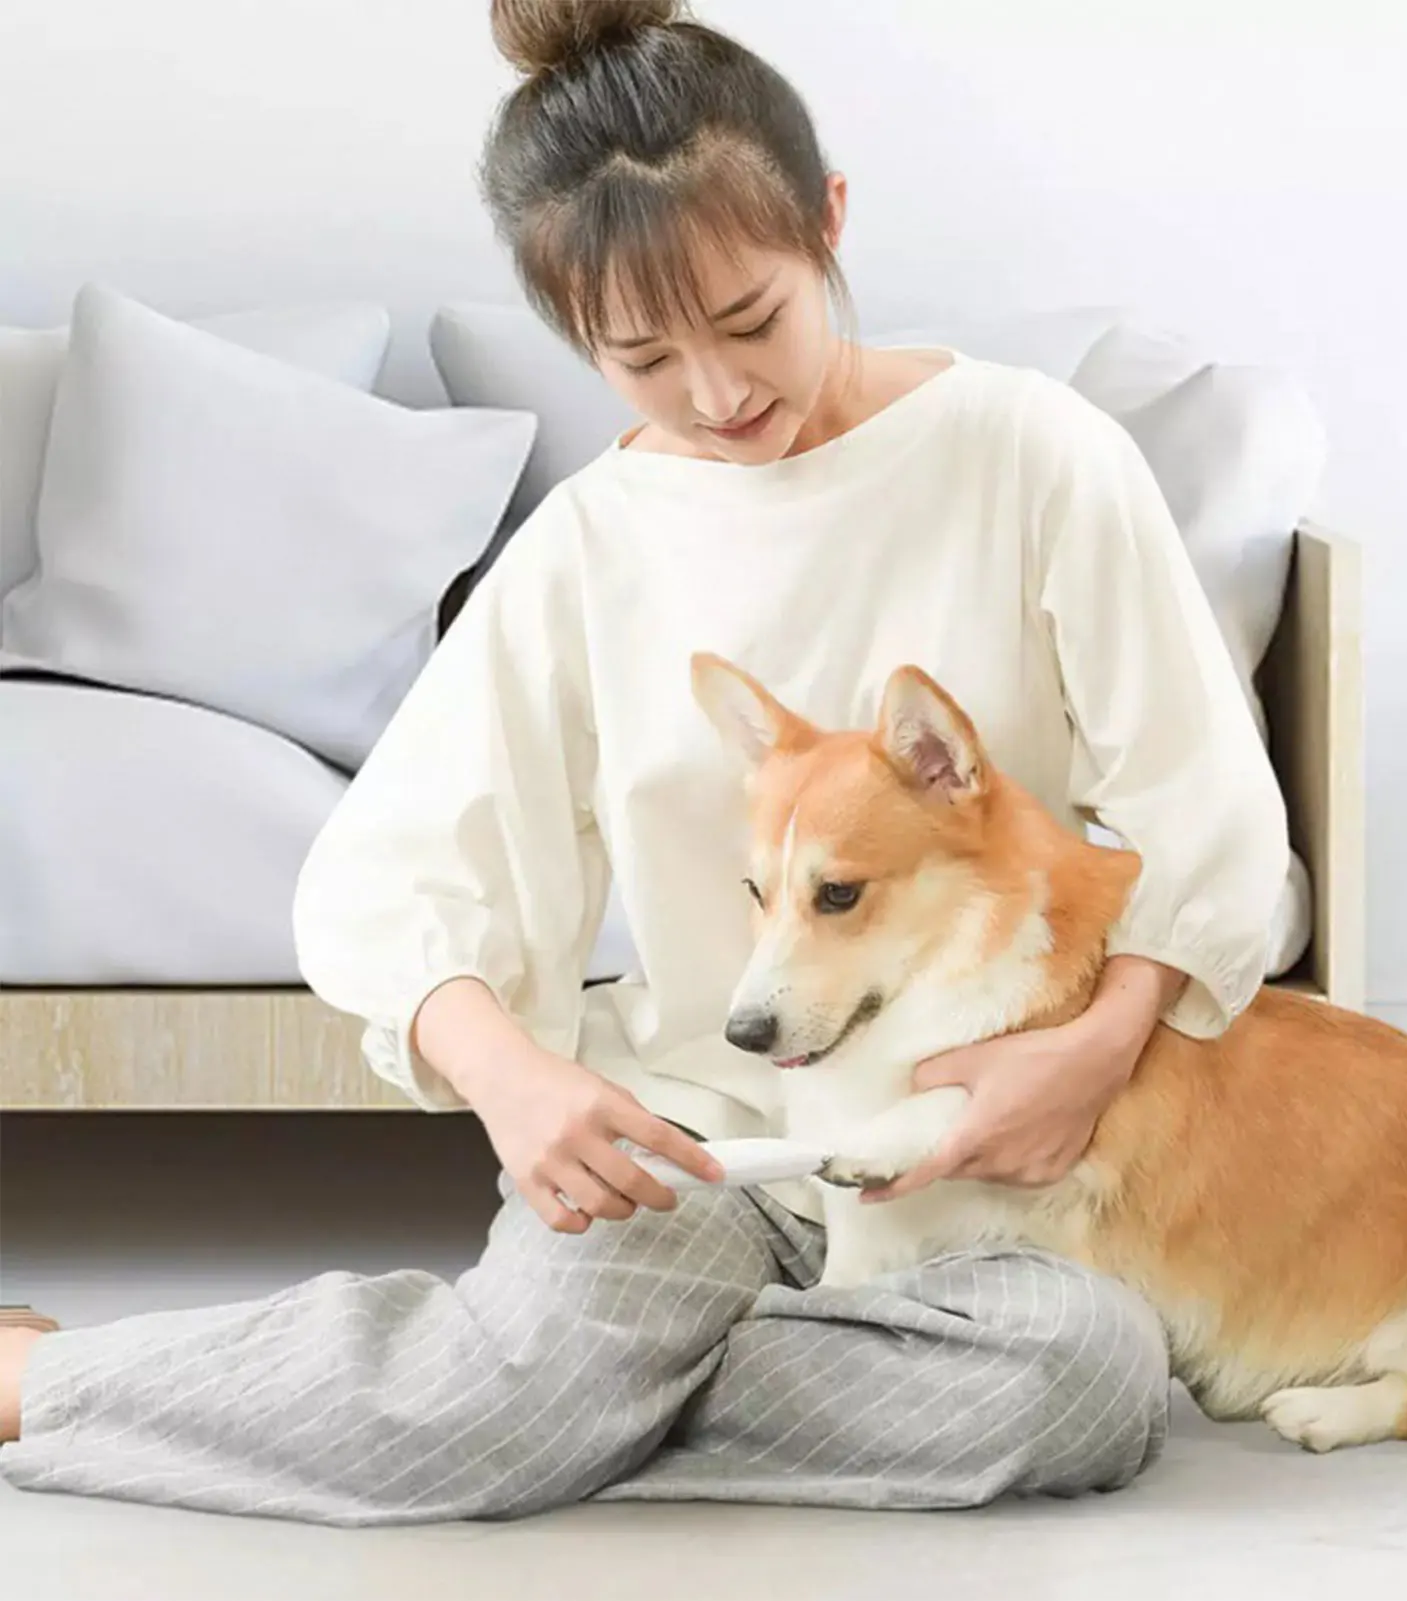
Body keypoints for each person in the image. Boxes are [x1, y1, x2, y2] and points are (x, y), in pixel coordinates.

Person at [0, 0, 1290, 1526]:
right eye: (643, 357)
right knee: (566, 1383)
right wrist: (515, 1086)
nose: (718, 392)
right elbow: (390, 874)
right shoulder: (593, 551)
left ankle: (540, 1390)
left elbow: (1200, 804)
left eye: (752, 322)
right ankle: (44, 1381)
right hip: (699, 1134)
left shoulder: (1037, 453)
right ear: (577, 342)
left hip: (973, 1145)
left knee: (1078, 1377)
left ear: (830, 224)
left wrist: (1092, 1050)